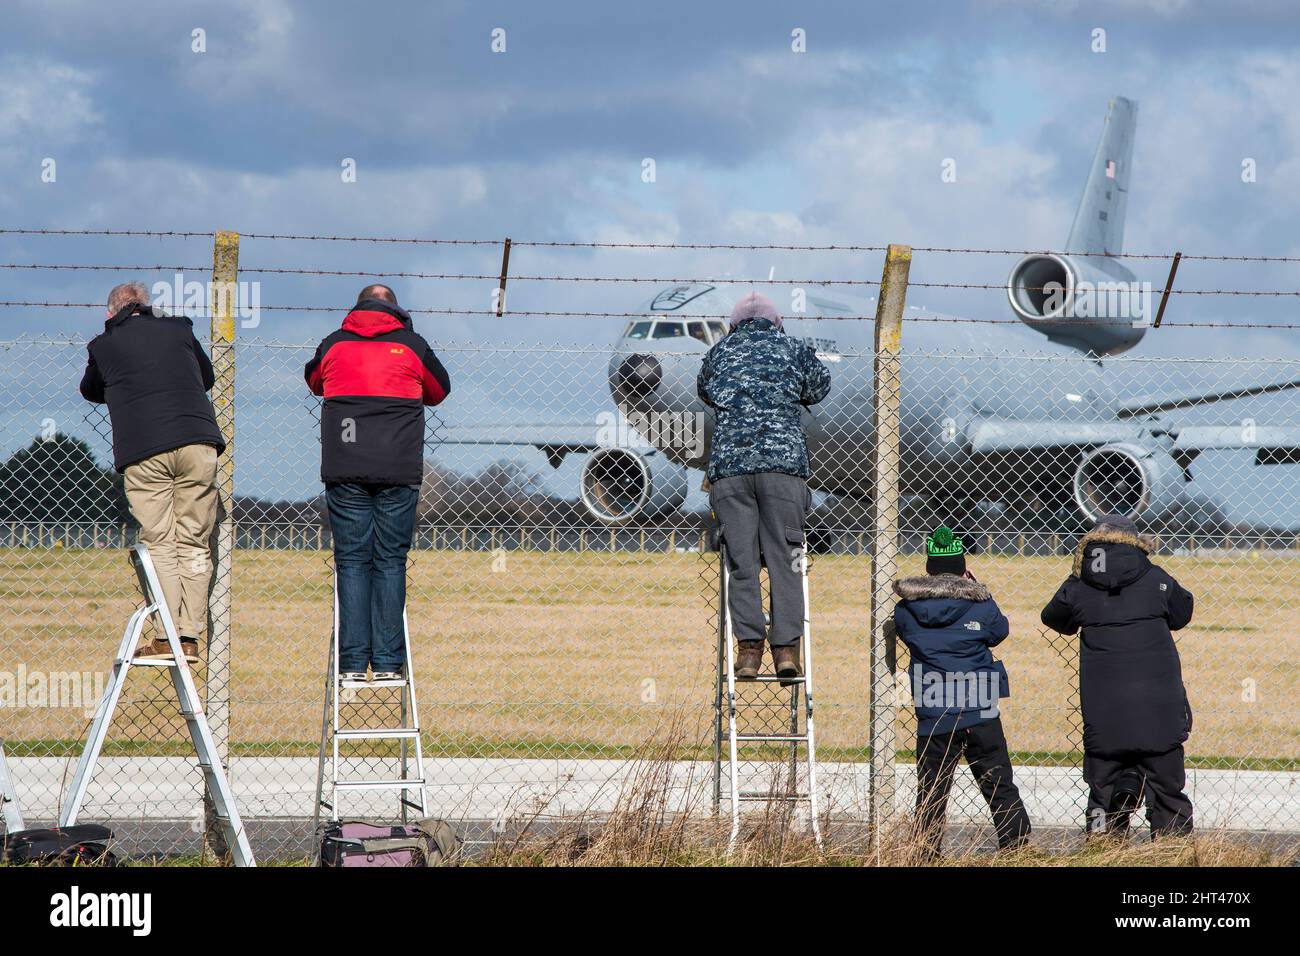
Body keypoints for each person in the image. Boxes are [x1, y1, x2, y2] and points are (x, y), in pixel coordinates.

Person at [305, 285, 450, 681]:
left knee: (352, 562)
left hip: (345, 466)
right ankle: (387, 664)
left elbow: (314, 382)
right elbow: (439, 392)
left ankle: (352, 664)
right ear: (397, 311)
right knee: (389, 562)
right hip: (397, 468)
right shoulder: (412, 345)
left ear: (357, 308)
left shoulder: (334, 344)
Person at [79, 282, 226, 663]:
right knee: (194, 541)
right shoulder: (181, 329)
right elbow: (205, 378)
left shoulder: (104, 344)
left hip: (145, 448)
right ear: (148, 305)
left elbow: (91, 389)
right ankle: (190, 636)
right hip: (198, 441)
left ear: (112, 313)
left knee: (160, 541)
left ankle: (165, 637)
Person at [697, 292, 831, 681]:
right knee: (785, 560)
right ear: (777, 323)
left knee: (741, 562)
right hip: (782, 471)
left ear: (734, 325)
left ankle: (749, 652)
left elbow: (705, 391)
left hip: (732, 471)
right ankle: (787, 650)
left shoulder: (718, 353)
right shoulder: (793, 348)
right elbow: (820, 387)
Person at [1040, 514, 1195, 838]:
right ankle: (1172, 850)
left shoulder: (1080, 583)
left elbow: (1054, 618)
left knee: (1102, 789)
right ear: (1135, 543)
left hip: (1105, 711)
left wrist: (1076, 580)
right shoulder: (1155, 578)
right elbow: (1183, 613)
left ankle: (1101, 842)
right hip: (1159, 709)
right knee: (1167, 789)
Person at [893, 526, 1031, 856]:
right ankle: (1017, 849)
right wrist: (977, 590)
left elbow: (908, 635)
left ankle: (925, 854)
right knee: (998, 783)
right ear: (962, 568)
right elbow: (1000, 631)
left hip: (933, 707)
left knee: (932, 789)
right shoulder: (980, 606)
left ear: (928, 569)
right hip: (978, 705)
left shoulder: (906, 610)